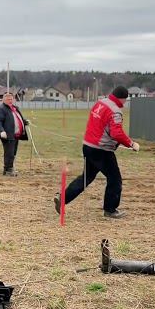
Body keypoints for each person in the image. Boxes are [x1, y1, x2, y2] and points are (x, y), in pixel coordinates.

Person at [54, 86, 139, 219]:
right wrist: (131, 143)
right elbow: (116, 133)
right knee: (115, 179)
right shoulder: (115, 111)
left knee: (86, 177)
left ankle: (63, 198)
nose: (125, 102)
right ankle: (110, 210)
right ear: (122, 98)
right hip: (102, 150)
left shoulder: (100, 103)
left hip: (88, 146)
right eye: (125, 100)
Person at [0, 91, 29, 176]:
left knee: (13, 153)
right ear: (3, 99)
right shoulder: (0, 109)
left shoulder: (15, 108)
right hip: (7, 135)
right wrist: (1, 131)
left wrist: (24, 122)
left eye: (11, 99)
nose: (10, 100)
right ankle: (9, 170)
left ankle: (7, 169)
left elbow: (16, 118)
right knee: (9, 153)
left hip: (16, 135)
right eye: (8, 99)